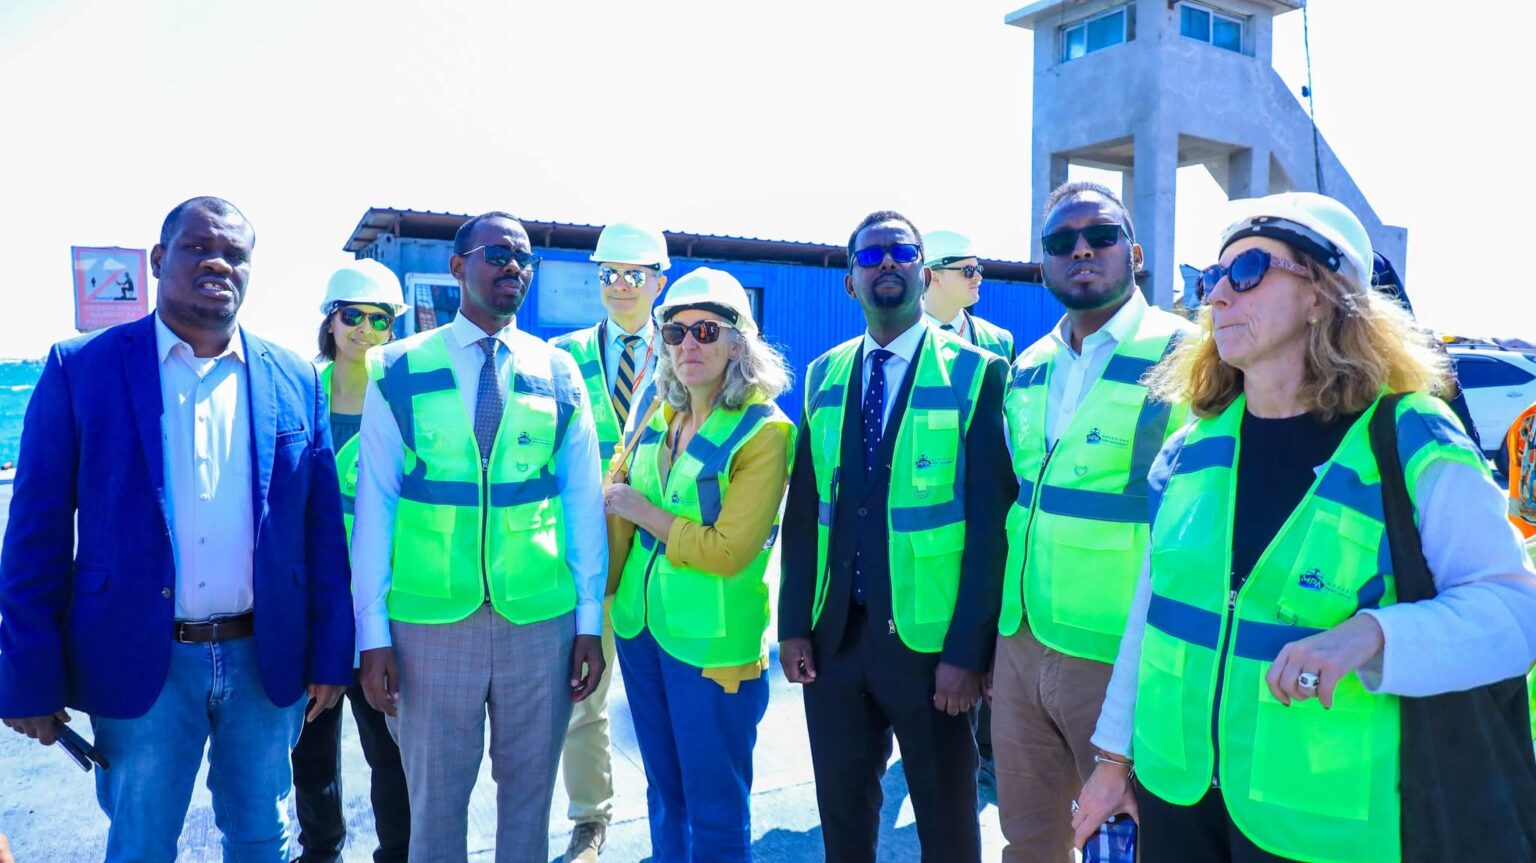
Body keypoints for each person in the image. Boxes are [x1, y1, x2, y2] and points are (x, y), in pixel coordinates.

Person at [1073, 192, 1536, 862]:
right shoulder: (1189, 449)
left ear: (1322, 295)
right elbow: (1153, 618)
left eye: (1248, 270)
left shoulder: (1409, 439)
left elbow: (1516, 613)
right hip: (1175, 800)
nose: (1217, 296)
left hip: (1321, 824)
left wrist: (1374, 635)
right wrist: (1113, 760)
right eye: (1212, 277)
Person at [0, 196, 355, 860]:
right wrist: (27, 674)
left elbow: (321, 535)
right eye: (198, 247)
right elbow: (34, 537)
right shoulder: (82, 368)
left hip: (264, 659)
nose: (218, 262)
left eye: (235, 254)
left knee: (264, 836)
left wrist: (332, 651)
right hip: (139, 660)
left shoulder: (295, 377)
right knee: (140, 843)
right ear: (160, 259)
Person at [350, 211, 608, 863]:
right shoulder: (397, 369)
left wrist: (587, 621)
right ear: (458, 267)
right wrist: (372, 634)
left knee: (529, 807)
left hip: (540, 623)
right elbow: (376, 507)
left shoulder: (560, 373)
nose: (513, 266)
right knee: (434, 812)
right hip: (430, 628)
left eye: (524, 258)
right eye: (498, 254)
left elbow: (582, 504)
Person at [779, 210, 1015, 862]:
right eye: (870, 255)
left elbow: (991, 528)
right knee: (843, 817)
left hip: (930, 648)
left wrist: (967, 652)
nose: (886, 263)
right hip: (834, 641)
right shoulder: (823, 375)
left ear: (924, 273)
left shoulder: (977, 373)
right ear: (849, 280)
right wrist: (794, 624)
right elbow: (805, 513)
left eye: (902, 252)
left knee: (947, 822)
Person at [991, 181, 1196, 862]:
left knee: (1126, 846)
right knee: (1029, 841)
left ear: (1133, 253)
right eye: (1061, 241)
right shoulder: (1028, 366)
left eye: (1100, 235)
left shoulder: (1189, 357)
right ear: (1044, 263)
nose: (1081, 249)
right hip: (1021, 641)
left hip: (1117, 653)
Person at [603, 266, 794, 862]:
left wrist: (639, 509)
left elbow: (729, 550)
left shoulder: (765, 432)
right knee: (665, 793)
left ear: (739, 343)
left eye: (707, 331)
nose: (688, 343)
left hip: (712, 640)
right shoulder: (660, 414)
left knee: (714, 808)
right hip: (641, 626)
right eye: (675, 332)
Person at [548, 221, 669, 862]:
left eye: (634, 274)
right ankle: (589, 820)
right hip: (585, 558)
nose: (621, 286)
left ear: (659, 281)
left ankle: (673, 813)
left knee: (667, 700)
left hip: (657, 555)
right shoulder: (562, 356)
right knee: (583, 698)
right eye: (609, 274)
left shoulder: (686, 346)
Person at [290, 260, 412, 863]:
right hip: (309, 601)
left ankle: (399, 854)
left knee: (389, 749)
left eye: (379, 318)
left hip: (377, 602)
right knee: (310, 748)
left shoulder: (405, 399)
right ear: (330, 321)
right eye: (352, 316)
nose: (365, 329)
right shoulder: (296, 391)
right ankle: (321, 852)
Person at [922, 229, 1015, 361]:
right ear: (934, 277)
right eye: (968, 270)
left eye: (978, 269)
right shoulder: (900, 339)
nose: (978, 277)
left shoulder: (1001, 341)